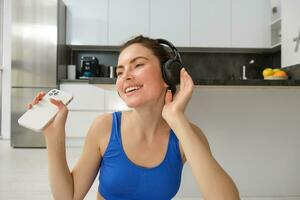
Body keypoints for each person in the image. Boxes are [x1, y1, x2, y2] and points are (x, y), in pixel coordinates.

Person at [27, 35, 240, 200]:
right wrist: (53, 136)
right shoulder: (104, 127)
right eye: (120, 72)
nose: (126, 76)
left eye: (138, 65)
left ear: (168, 75)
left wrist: (176, 119)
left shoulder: (186, 135)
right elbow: (68, 197)